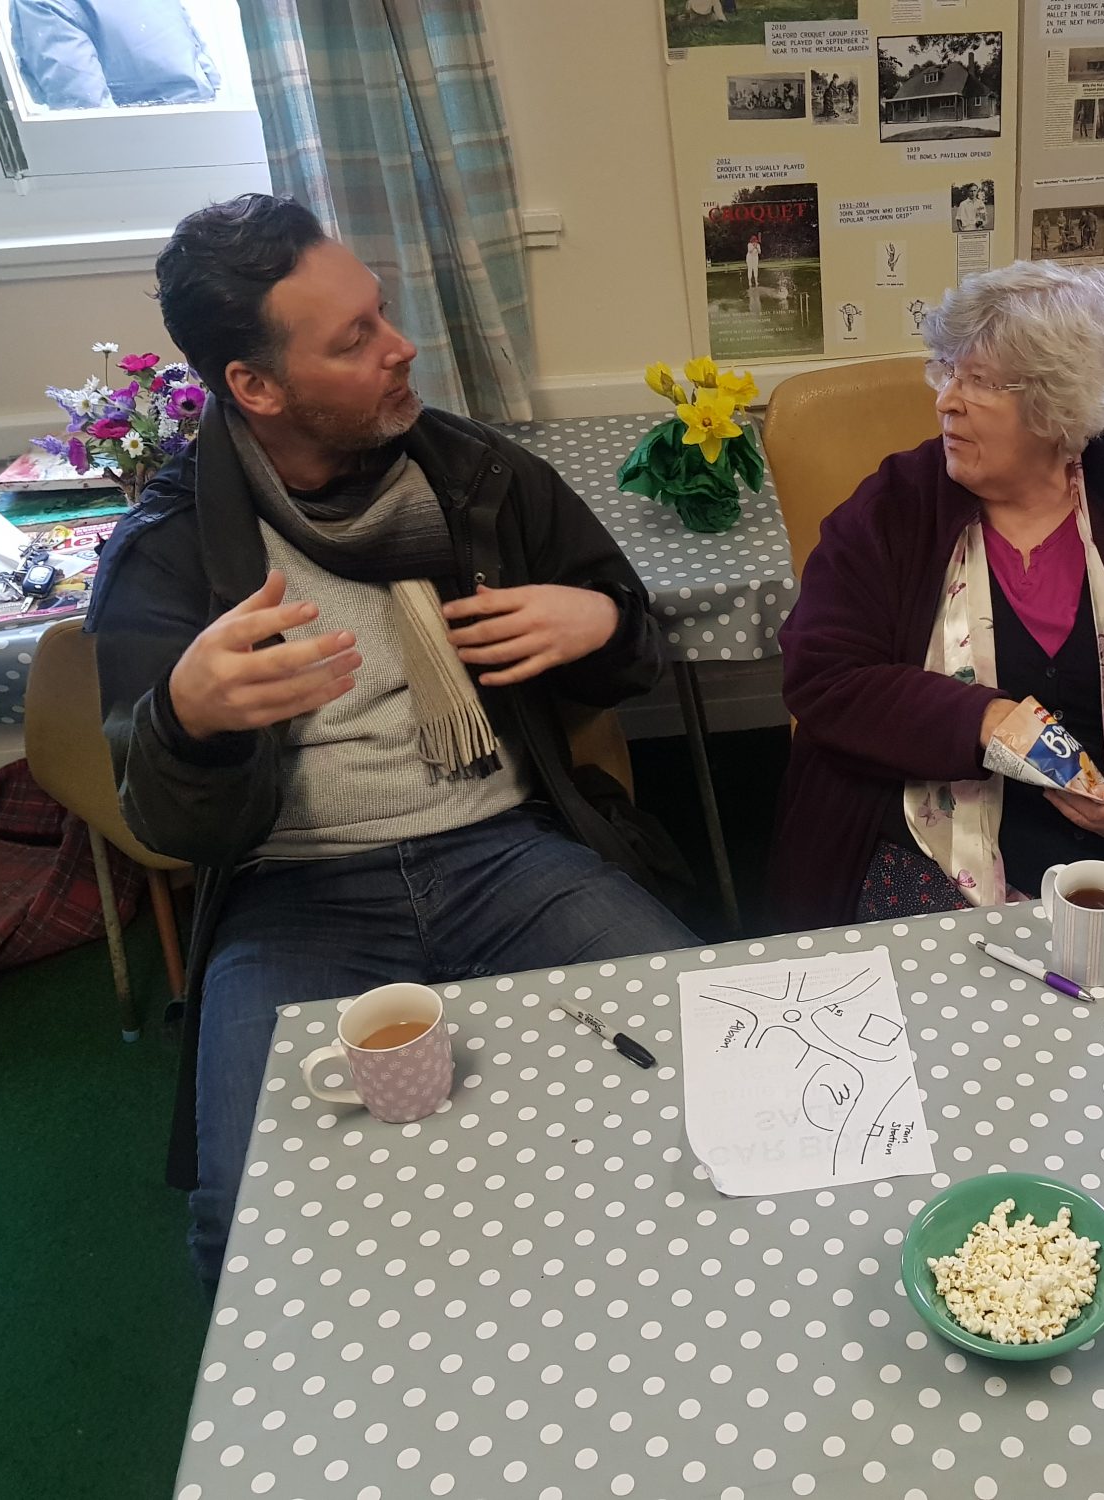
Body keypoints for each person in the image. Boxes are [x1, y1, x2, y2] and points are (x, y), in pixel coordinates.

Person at [88, 194, 694, 1288]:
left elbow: (632, 632)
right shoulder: (169, 551)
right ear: (255, 387)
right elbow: (165, 829)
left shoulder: (477, 476)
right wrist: (186, 720)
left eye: (381, 311)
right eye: (353, 337)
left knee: (710, 1052)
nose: (400, 345)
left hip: (505, 852)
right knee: (243, 1227)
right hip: (296, 899)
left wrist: (598, 621)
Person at [771, 261, 1104, 927]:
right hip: (923, 838)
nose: (946, 400)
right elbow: (822, 676)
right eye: (948, 371)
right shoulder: (895, 509)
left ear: (1054, 404)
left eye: (978, 382)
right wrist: (986, 722)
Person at [11, 0, 219, 110]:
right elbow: (208, 76)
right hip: (209, 138)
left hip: (134, 157)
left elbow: (82, 108)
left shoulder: (37, 3)